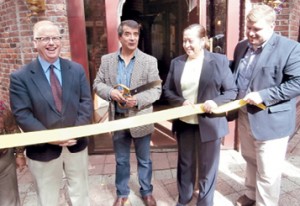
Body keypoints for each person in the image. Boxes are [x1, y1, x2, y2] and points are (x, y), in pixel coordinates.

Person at [10, 20, 93, 206]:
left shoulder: (77, 69)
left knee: (81, 193)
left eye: (55, 37)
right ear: (35, 43)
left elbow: (86, 103)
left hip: (76, 144)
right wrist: (51, 137)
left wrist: (76, 132)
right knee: (47, 198)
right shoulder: (20, 77)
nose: (51, 43)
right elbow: (22, 114)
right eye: (45, 38)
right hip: (43, 149)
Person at [230, 4, 300, 206]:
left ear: (272, 25)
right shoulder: (241, 46)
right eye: (248, 28)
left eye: (256, 29)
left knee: (268, 171)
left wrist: (264, 95)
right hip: (245, 115)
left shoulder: (291, 49)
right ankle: (251, 195)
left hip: (272, 120)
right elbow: (237, 74)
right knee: (250, 159)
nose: (251, 33)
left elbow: (297, 83)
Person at [163, 24, 237, 206]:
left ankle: (205, 202)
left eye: (191, 40)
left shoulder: (219, 61)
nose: (187, 45)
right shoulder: (177, 62)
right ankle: (184, 198)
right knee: (185, 164)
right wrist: (181, 101)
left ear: (203, 41)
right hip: (185, 123)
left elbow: (231, 91)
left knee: (207, 167)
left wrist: (215, 102)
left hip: (210, 122)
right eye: (184, 41)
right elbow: (167, 90)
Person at [93, 20, 161, 206]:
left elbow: (156, 90)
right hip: (119, 118)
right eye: (128, 34)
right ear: (120, 37)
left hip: (141, 117)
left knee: (145, 160)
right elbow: (97, 83)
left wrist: (138, 100)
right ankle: (122, 193)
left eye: (136, 34)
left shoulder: (149, 61)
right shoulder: (107, 61)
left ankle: (146, 191)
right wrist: (110, 92)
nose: (132, 38)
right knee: (121, 160)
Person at [0, 101, 26, 206]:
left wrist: (19, 154)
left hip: (4, 159)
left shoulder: (2, 108)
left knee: (9, 200)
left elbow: (13, 129)